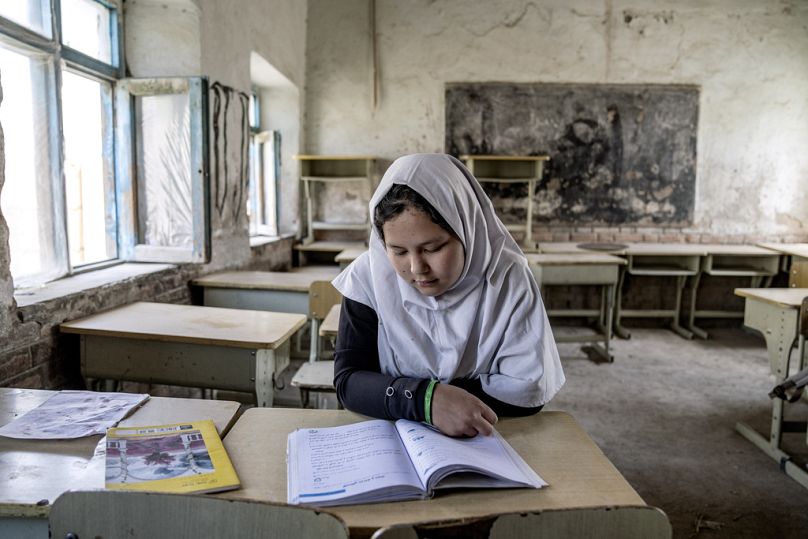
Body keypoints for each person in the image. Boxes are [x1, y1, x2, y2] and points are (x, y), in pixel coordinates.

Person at [332, 153, 564, 438]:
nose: (417, 268)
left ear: (467, 229)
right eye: (399, 251)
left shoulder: (507, 277)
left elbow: (527, 389)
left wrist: (418, 397)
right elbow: (348, 381)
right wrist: (427, 400)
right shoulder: (368, 278)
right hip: (392, 439)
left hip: (494, 436)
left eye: (433, 248)